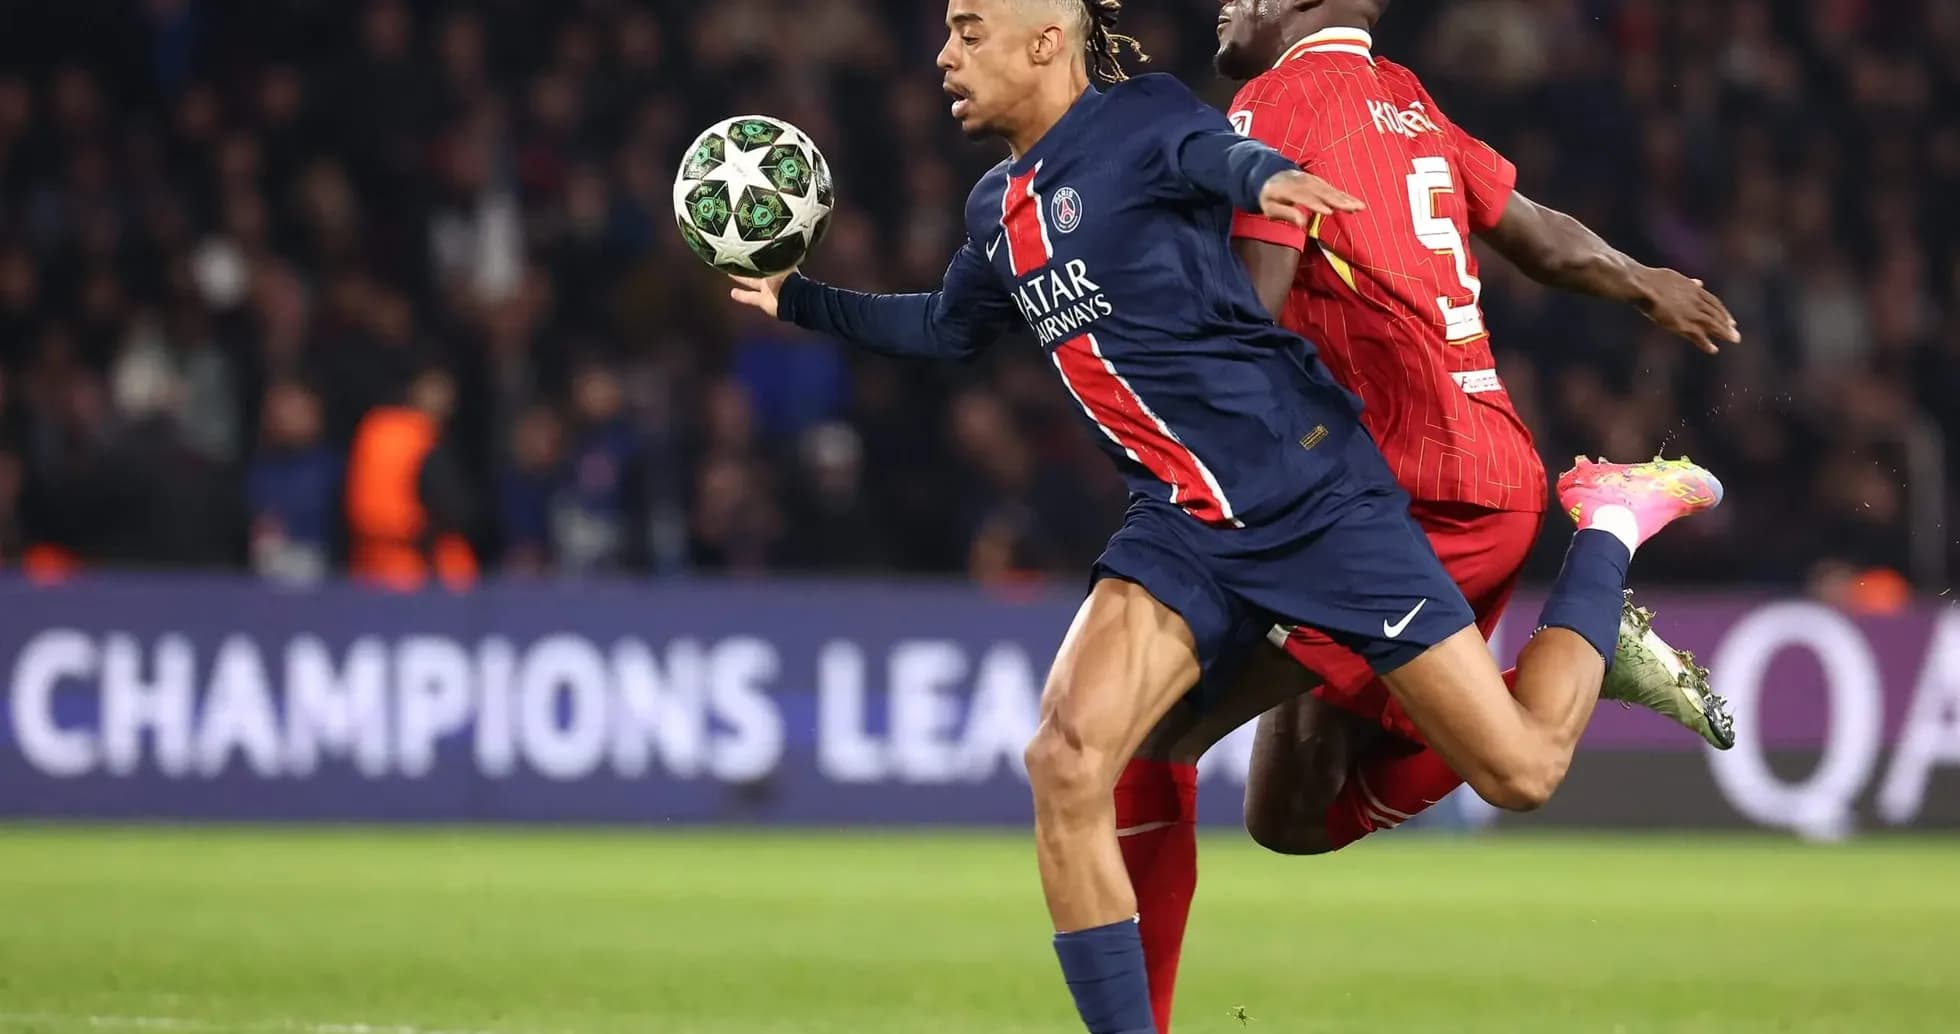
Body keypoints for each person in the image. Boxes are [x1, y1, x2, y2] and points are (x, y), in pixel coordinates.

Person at [727, 2, 1721, 1030]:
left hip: (1311, 500)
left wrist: (1264, 181)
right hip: (1180, 518)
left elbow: (1212, 155)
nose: (944, 54)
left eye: (968, 30)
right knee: (1070, 757)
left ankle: (1608, 530)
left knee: (1519, 770)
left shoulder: (1146, 117)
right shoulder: (998, 206)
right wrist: (796, 299)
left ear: (1045, 41)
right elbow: (944, 327)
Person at [1105, 3, 1749, 1030]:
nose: (1222, 2)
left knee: (1153, 733)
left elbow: (1252, 311)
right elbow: (1534, 232)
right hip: (1451, 480)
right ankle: (1589, 648)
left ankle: (1610, 530)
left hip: (1412, 498)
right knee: (1290, 812)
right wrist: (1640, 280)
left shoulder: (1275, 100)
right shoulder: (1401, 98)